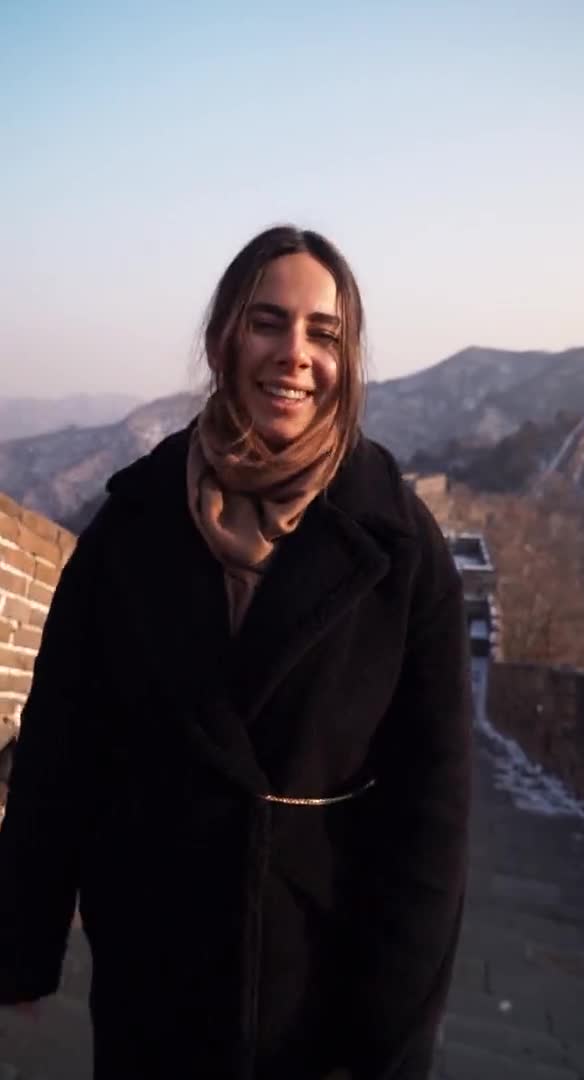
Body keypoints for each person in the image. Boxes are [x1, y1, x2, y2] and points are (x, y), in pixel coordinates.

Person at [0, 226, 472, 1079]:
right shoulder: (134, 524)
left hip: (322, 983)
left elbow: (432, 811)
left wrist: (394, 1033)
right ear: (225, 338)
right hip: (156, 969)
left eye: (323, 333)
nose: (295, 354)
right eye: (268, 322)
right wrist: (24, 937)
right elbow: (60, 750)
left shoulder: (401, 546)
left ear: (346, 357)